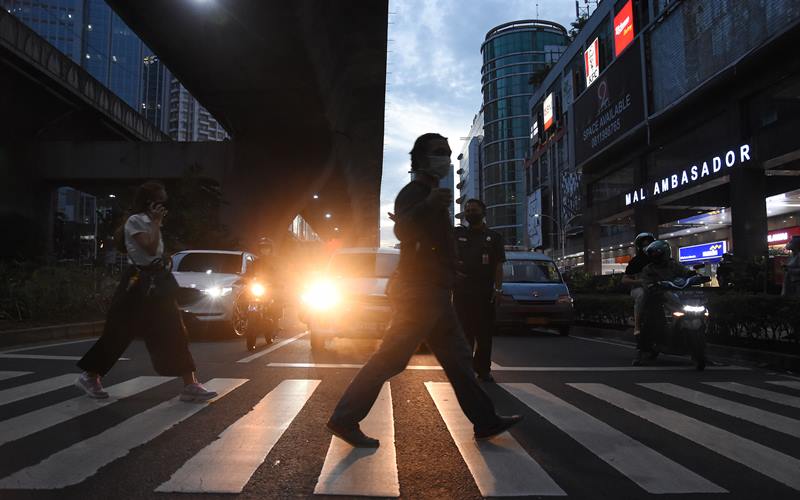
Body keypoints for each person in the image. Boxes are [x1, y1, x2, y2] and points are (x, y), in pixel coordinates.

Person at [326, 133, 522, 447]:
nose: (445, 158)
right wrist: (428, 206)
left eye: (446, 152)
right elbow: (403, 229)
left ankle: (485, 420)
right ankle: (344, 418)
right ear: (419, 160)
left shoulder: (434, 193)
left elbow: (432, 245)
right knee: (392, 359)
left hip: (434, 291)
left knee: (458, 359)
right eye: (438, 152)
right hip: (419, 292)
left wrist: (450, 267)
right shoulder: (414, 193)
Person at [75, 181, 217, 402]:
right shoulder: (136, 221)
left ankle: (190, 384)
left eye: (164, 203)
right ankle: (90, 375)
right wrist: (156, 223)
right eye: (160, 202)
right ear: (149, 203)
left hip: (157, 283)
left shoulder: (151, 223)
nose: (163, 206)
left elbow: (155, 254)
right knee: (118, 333)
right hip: (138, 285)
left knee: (174, 331)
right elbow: (148, 248)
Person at [453, 199, 505, 382]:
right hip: (461, 293)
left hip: (485, 293)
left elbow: (499, 265)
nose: (470, 213)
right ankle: (465, 369)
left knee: (484, 335)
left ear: (483, 212)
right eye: (467, 210)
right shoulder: (457, 233)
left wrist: (498, 288)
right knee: (463, 334)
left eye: (473, 210)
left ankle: (483, 369)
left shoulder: (494, 237)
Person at [635, 239, 694, 366]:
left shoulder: (674, 265)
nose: (655, 257)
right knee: (652, 317)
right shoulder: (648, 269)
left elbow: (685, 272)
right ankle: (643, 349)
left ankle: (696, 346)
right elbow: (646, 282)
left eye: (657, 254)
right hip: (658, 297)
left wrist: (693, 275)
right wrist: (651, 286)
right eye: (652, 255)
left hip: (677, 296)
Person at [621, 232, 656, 338]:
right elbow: (624, 280)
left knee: (674, 298)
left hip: (658, 288)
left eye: (649, 244)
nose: (647, 247)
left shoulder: (660, 259)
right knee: (641, 295)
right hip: (640, 289)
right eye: (644, 245)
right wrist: (640, 282)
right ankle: (637, 325)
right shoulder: (635, 262)